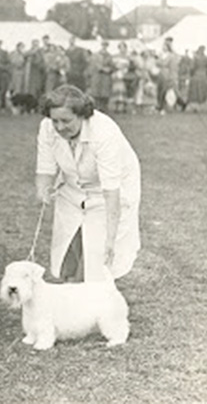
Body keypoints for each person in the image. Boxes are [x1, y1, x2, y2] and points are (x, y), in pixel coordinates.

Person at [36, 85, 141, 283]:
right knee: (69, 242)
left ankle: (90, 298)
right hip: (72, 188)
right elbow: (45, 168)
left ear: (83, 115)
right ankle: (73, 286)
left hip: (109, 191)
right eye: (55, 120)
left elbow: (111, 192)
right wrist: (43, 190)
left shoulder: (104, 132)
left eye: (66, 121)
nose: (59, 127)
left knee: (97, 254)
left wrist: (111, 238)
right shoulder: (47, 127)